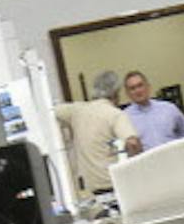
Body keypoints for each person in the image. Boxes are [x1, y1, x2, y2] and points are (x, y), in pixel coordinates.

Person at [55, 70, 142, 198]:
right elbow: (132, 143)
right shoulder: (114, 114)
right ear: (115, 93)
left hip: (88, 190)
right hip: (114, 186)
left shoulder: (76, 111)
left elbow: (51, 112)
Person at [122, 70, 184, 151]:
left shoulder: (169, 108)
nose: (138, 91)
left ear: (148, 87)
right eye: (132, 88)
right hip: (147, 162)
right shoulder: (124, 119)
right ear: (127, 93)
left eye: (140, 85)